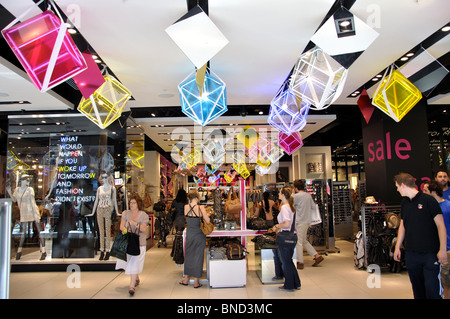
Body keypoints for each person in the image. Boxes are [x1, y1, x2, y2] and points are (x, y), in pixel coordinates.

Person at [393, 173, 448, 299]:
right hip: (412, 254)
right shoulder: (404, 203)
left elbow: (441, 226)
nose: (397, 189)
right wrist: (397, 247)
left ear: (403, 185)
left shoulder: (429, 200)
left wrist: (442, 249)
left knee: (432, 290)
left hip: (430, 254)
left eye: (397, 186)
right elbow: (403, 226)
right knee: (418, 291)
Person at [7, 174, 46, 260]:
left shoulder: (30, 190)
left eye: (28, 180)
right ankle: (19, 251)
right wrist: (9, 192)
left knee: (39, 231)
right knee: (23, 232)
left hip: (32, 211)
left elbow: (32, 202)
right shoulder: (17, 190)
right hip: (23, 212)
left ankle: (43, 251)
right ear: (21, 181)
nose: (27, 181)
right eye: (25, 180)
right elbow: (14, 200)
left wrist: (36, 214)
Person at [116, 194, 149, 296]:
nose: (131, 204)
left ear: (138, 204)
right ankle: (136, 278)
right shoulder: (125, 213)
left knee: (134, 263)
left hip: (139, 243)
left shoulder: (144, 215)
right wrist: (127, 231)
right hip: (128, 242)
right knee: (129, 262)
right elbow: (121, 226)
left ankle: (132, 286)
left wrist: (135, 224)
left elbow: (143, 229)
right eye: (130, 202)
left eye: (134, 202)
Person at [423, 180, 450, 299]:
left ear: (433, 192)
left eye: (425, 191)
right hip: (433, 250)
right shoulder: (426, 207)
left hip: (447, 249)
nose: (422, 193)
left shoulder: (448, 206)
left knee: (446, 282)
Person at [271, 186, 301, 291]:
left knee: (286, 262)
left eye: (280, 192)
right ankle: (296, 283)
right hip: (292, 236)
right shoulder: (290, 206)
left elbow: (287, 224)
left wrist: (276, 226)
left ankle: (289, 285)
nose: (278, 194)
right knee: (289, 261)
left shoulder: (284, 207)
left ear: (283, 194)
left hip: (285, 236)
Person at [179, 189, 210, 288]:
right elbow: (208, 221)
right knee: (198, 256)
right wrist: (208, 215)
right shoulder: (200, 207)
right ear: (197, 197)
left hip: (190, 233)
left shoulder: (186, 207)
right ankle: (196, 282)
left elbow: (187, 218)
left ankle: (186, 279)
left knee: (189, 255)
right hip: (199, 234)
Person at [87, 171, 119, 260]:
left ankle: (108, 250)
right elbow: (96, 201)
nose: (104, 179)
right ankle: (102, 250)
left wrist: (117, 212)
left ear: (109, 178)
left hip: (108, 208)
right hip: (99, 209)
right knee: (101, 231)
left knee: (107, 230)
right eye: (103, 177)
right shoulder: (99, 189)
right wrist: (93, 212)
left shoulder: (112, 188)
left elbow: (114, 201)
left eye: (106, 177)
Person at [292, 179, 324, 269]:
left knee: (298, 242)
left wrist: (292, 194)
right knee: (304, 240)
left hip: (299, 221)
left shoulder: (296, 196)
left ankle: (300, 262)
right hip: (307, 221)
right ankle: (317, 256)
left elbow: (290, 205)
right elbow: (313, 207)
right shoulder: (308, 196)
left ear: (296, 188)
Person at [170, 189, 187, 264]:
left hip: (176, 219)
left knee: (177, 235)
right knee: (181, 236)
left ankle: (174, 251)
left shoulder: (175, 201)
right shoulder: (185, 202)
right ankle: (179, 252)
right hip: (183, 219)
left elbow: (171, 208)